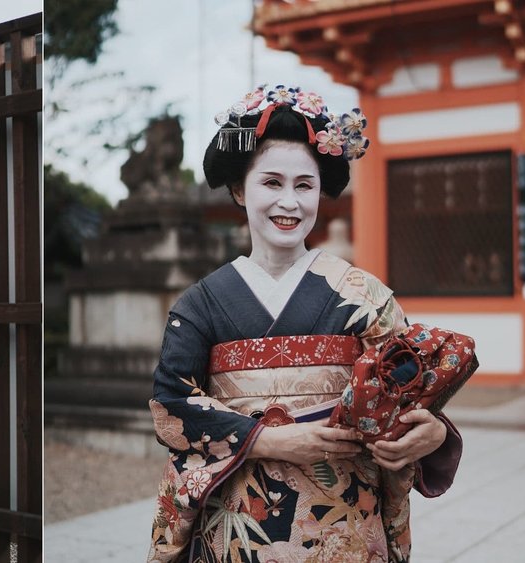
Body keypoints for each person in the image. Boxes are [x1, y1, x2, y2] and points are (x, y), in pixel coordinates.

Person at [147, 85, 462, 562]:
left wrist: (433, 434)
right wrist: (271, 439)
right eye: (271, 183)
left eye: (304, 185)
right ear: (239, 189)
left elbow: (412, 388)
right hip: (240, 527)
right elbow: (171, 401)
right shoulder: (201, 303)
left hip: (346, 526)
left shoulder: (365, 296)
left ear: (321, 191)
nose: (289, 203)